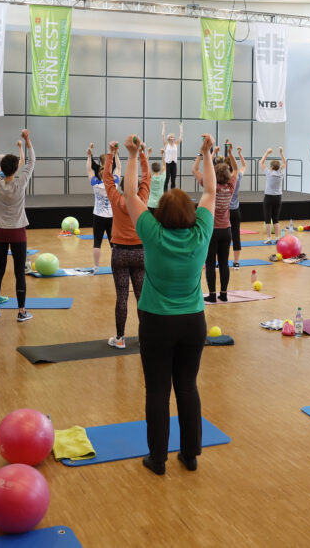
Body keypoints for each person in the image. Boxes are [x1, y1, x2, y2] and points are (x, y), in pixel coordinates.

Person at [121, 132, 215, 475]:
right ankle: (190, 455)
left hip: (157, 322)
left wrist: (132, 155)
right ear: (191, 213)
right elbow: (209, 191)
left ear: (160, 213)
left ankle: (157, 458)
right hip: (193, 322)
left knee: (158, 390)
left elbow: (130, 194)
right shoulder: (201, 232)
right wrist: (205, 152)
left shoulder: (153, 233)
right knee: (187, 386)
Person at [0, 127, 35, 322]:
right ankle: (22, 312)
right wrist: (28, 140)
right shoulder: (20, 183)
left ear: (2, 169)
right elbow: (31, 161)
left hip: (0, 233)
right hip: (18, 233)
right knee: (19, 271)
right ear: (16, 169)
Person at [103, 141, 150, 349]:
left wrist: (111, 154)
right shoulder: (142, 199)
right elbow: (147, 178)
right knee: (142, 297)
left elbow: (107, 179)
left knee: (122, 296)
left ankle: (120, 338)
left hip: (120, 253)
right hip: (141, 253)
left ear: (121, 187)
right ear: (136, 186)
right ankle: (144, 338)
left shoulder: (115, 198)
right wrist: (141, 154)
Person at [194, 145, 239, 302]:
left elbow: (195, 169)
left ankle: (212, 295)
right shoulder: (231, 186)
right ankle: (224, 294)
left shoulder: (212, 188)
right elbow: (237, 169)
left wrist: (204, 154)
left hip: (212, 231)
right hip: (226, 230)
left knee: (210, 263)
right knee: (224, 263)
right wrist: (232, 154)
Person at [87, 143, 116, 272]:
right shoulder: (113, 183)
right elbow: (119, 168)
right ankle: (116, 265)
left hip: (98, 216)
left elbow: (89, 169)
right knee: (113, 243)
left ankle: (96, 266)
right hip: (111, 216)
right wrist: (115, 154)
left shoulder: (95, 184)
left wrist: (89, 155)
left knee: (97, 242)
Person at [260, 146, 286, 244]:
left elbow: (261, 162)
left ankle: (269, 238)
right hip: (278, 198)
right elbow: (285, 163)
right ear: (278, 167)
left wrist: (267, 152)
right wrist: (281, 153)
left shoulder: (269, 172)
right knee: (276, 219)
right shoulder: (281, 173)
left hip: (268, 198)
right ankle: (277, 237)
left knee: (267, 219)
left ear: (271, 167)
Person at [227, 144, 247, 269]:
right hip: (235, 211)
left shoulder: (223, 178)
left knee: (221, 236)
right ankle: (236, 262)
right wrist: (238, 154)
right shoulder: (238, 175)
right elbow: (243, 166)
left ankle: (218, 263)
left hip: (224, 211)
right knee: (236, 236)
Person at [162, 121, 182, 191]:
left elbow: (181, 135)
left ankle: (173, 193)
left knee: (173, 179)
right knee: (167, 179)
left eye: (173, 137)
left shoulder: (176, 144)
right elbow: (163, 135)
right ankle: (165, 193)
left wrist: (180, 127)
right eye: (171, 137)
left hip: (174, 164)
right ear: (169, 138)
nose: (173, 138)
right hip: (168, 164)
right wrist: (164, 126)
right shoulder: (166, 144)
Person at [146, 146, 166, 214]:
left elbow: (145, 165)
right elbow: (164, 165)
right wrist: (162, 154)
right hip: (161, 204)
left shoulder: (150, 177)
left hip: (150, 204)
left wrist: (148, 153)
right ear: (160, 169)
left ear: (152, 169)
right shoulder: (162, 177)